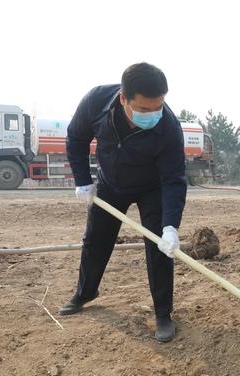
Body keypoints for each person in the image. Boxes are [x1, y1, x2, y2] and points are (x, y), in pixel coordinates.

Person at [59, 63, 187, 343]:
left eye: (158, 107)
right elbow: (76, 138)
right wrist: (82, 180)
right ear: (123, 98)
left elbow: (174, 179)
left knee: (159, 248)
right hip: (111, 185)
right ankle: (85, 292)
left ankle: (163, 314)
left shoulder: (169, 126)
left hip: (151, 187)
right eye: (143, 110)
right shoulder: (96, 102)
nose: (152, 115)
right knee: (95, 240)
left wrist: (170, 226)